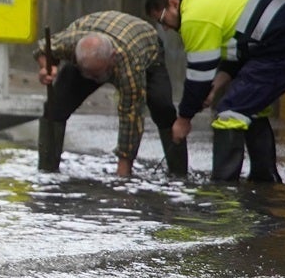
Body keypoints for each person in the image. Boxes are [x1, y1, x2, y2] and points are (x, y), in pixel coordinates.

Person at [144, 0, 285, 183]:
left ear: (174, 4)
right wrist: (215, 87)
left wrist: (184, 119)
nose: (166, 28)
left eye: (163, 20)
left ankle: (222, 188)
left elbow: (199, 75)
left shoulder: (194, 18)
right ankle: (264, 179)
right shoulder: (206, 3)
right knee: (249, 106)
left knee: (230, 111)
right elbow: (237, 54)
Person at [35, 10, 189, 179]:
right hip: (96, 40)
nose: (93, 80)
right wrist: (47, 68)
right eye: (88, 75)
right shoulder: (71, 42)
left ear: (112, 58)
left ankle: (179, 174)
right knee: (55, 106)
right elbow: (44, 48)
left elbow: (130, 117)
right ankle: (47, 169)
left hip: (145, 46)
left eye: (97, 75)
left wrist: (122, 176)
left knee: (162, 107)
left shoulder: (129, 65)